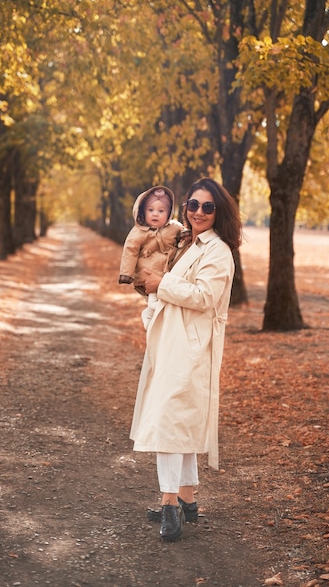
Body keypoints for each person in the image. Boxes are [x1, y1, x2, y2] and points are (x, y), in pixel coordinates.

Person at [129, 177, 242, 542]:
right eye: (193, 205)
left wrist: (160, 284)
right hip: (170, 342)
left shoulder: (218, 251)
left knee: (169, 425)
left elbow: (204, 296)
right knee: (180, 422)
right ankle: (188, 499)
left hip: (191, 348)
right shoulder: (183, 242)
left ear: (218, 211)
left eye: (207, 207)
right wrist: (152, 308)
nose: (198, 212)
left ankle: (169, 506)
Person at [118, 186, 189, 329]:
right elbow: (130, 251)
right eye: (150, 210)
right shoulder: (138, 232)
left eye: (161, 211)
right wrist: (126, 273)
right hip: (147, 271)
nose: (155, 214)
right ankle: (150, 315)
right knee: (153, 297)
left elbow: (181, 231)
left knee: (164, 296)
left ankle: (159, 317)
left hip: (167, 271)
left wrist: (184, 234)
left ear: (169, 213)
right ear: (143, 212)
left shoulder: (173, 227)